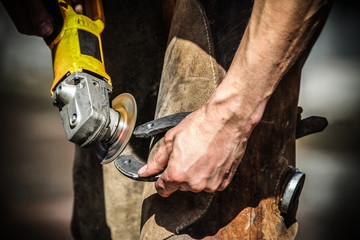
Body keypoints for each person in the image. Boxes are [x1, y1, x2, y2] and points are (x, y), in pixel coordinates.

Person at [1, 0, 332, 239]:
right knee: (105, 225)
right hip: (113, 17)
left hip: (233, 24)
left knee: (196, 226)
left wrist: (232, 115)